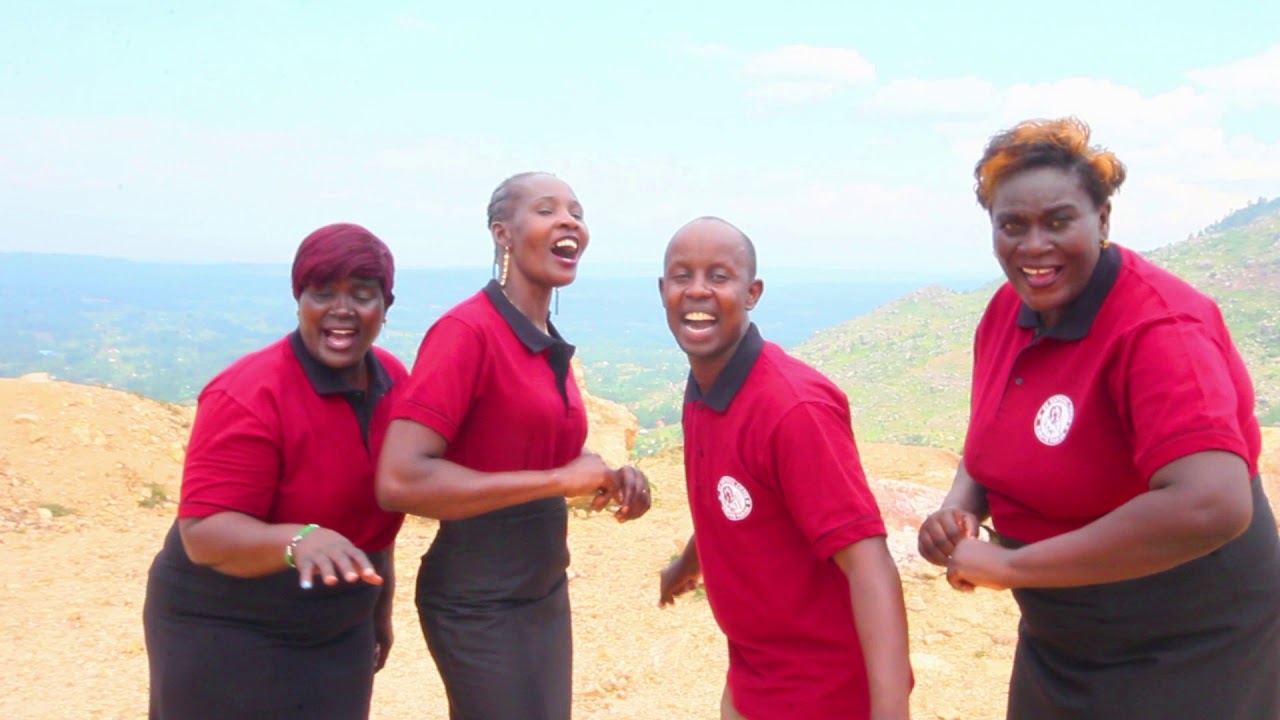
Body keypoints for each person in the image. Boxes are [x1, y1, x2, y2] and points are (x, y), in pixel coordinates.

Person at [917, 117, 1280, 719]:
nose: (1034, 245)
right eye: (1012, 225)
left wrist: (1011, 565)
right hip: (1063, 633)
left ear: (1103, 219)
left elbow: (1212, 504)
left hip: (1192, 639)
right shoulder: (1008, 311)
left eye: (1059, 221)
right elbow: (992, 439)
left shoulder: (1160, 328)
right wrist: (960, 510)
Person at [376, 172, 651, 720]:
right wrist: (558, 481)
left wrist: (609, 476)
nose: (569, 221)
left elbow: (525, 455)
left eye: (577, 212)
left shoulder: (541, 336)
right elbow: (399, 479)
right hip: (477, 600)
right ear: (502, 233)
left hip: (542, 589)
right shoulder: (466, 332)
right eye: (547, 210)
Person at [143, 223, 408, 719]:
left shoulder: (393, 381)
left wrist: (379, 607)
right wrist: (297, 539)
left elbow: (377, 516)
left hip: (337, 624)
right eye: (322, 293)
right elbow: (203, 533)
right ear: (299, 301)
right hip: (227, 623)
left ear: (385, 306)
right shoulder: (249, 393)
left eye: (362, 294)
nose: (342, 309)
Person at [657, 217, 913, 720]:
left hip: (824, 694)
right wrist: (688, 563)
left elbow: (869, 564)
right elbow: (733, 501)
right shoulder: (705, 388)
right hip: (755, 679)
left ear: (752, 293)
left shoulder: (793, 409)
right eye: (682, 276)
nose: (698, 290)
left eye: (719, 276)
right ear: (662, 290)